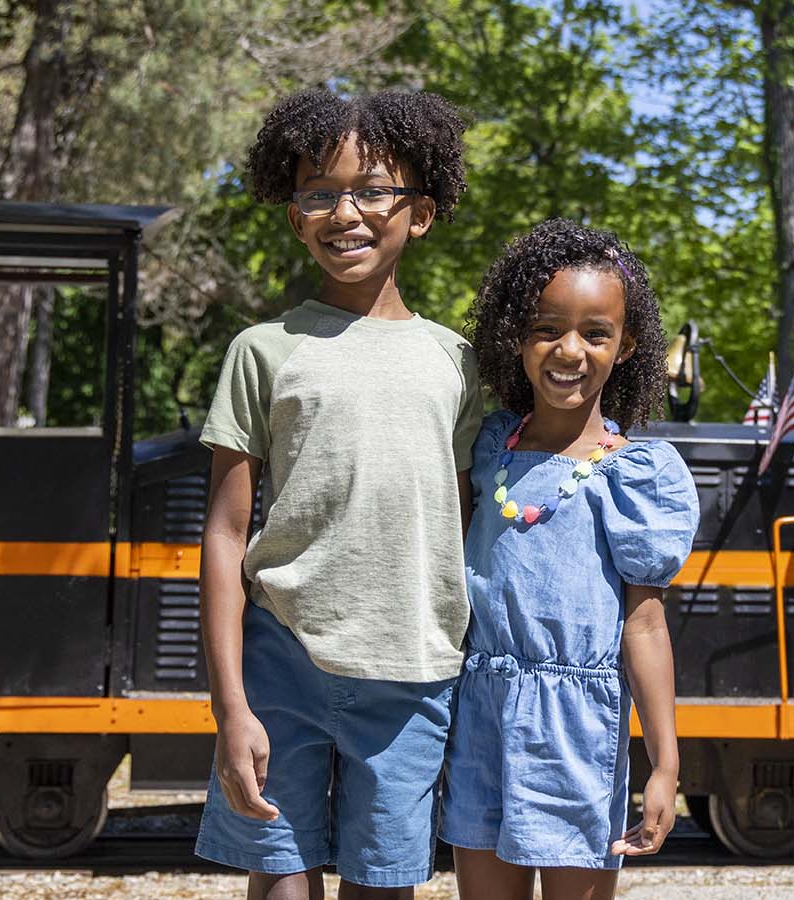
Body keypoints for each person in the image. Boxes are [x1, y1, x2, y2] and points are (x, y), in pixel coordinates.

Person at [195, 88, 482, 900]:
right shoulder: (264, 350)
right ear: (294, 218)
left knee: (384, 883)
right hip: (280, 657)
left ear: (420, 213)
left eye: (371, 190)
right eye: (319, 192)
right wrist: (230, 704)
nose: (343, 211)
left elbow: (462, 523)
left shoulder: (457, 363)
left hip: (413, 667)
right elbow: (224, 534)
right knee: (281, 880)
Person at [441, 219, 701, 900]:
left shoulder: (632, 474)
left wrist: (665, 764)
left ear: (628, 344)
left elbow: (643, 627)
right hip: (483, 711)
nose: (569, 350)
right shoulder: (490, 445)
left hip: (577, 729)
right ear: (515, 336)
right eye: (546, 327)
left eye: (595, 332)